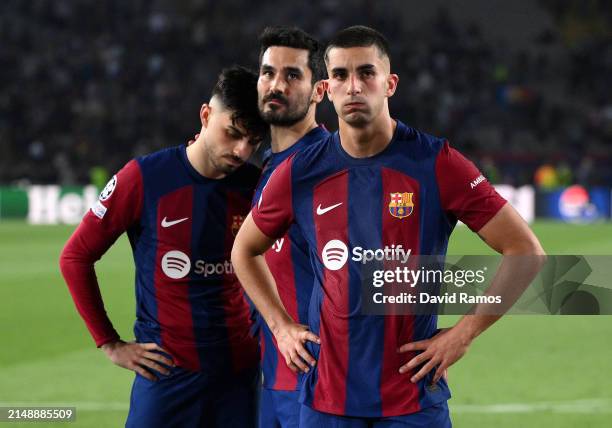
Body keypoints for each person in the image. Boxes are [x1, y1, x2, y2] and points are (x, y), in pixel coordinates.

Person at [232, 26, 545, 427]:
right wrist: (280, 327)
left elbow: (526, 251)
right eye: (341, 76)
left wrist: (463, 333)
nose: (354, 87)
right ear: (326, 89)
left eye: (367, 73)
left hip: (413, 399)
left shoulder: (437, 163)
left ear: (389, 83)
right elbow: (244, 249)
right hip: (326, 400)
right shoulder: (300, 172)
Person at [60, 66, 268, 428]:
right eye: (232, 133)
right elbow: (75, 257)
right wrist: (109, 342)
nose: (241, 150)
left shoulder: (257, 185)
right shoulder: (144, 178)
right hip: (167, 377)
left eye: (253, 141)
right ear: (205, 115)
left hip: (239, 378)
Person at [254, 26, 328, 428]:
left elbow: (385, 260)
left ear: (319, 91)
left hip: (316, 384)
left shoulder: (330, 166)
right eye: (268, 73)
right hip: (272, 381)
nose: (276, 84)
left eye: (292, 75)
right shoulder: (269, 165)